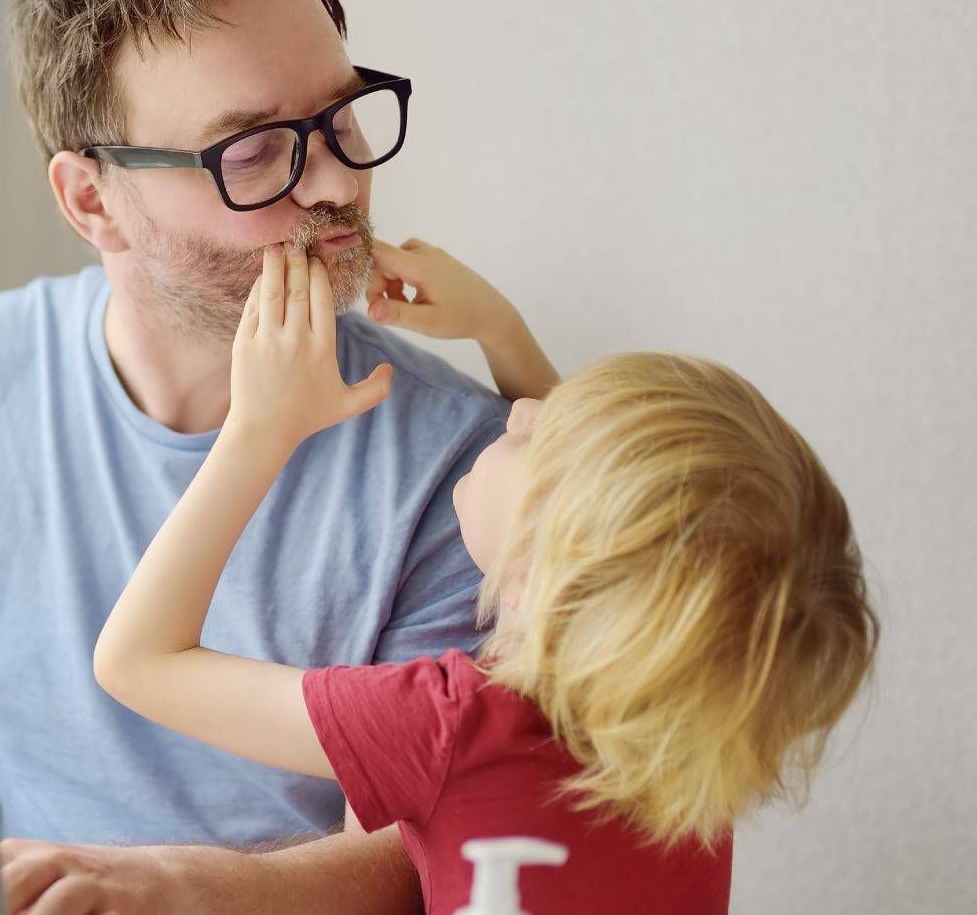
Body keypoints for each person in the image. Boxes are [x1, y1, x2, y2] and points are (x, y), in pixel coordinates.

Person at [0, 0, 554, 913]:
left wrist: (169, 890)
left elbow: (417, 866)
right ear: (92, 199)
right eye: (252, 152)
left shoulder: (464, 474)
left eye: (343, 118)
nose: (335, 183)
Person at [93, 243, 879, 913]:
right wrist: (496, 327)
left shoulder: (452, 726)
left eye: (541, 440)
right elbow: (629, 527)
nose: (521, 411)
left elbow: (137, 661)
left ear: (540, 578)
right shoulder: (687, 735)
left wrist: (258, 431)